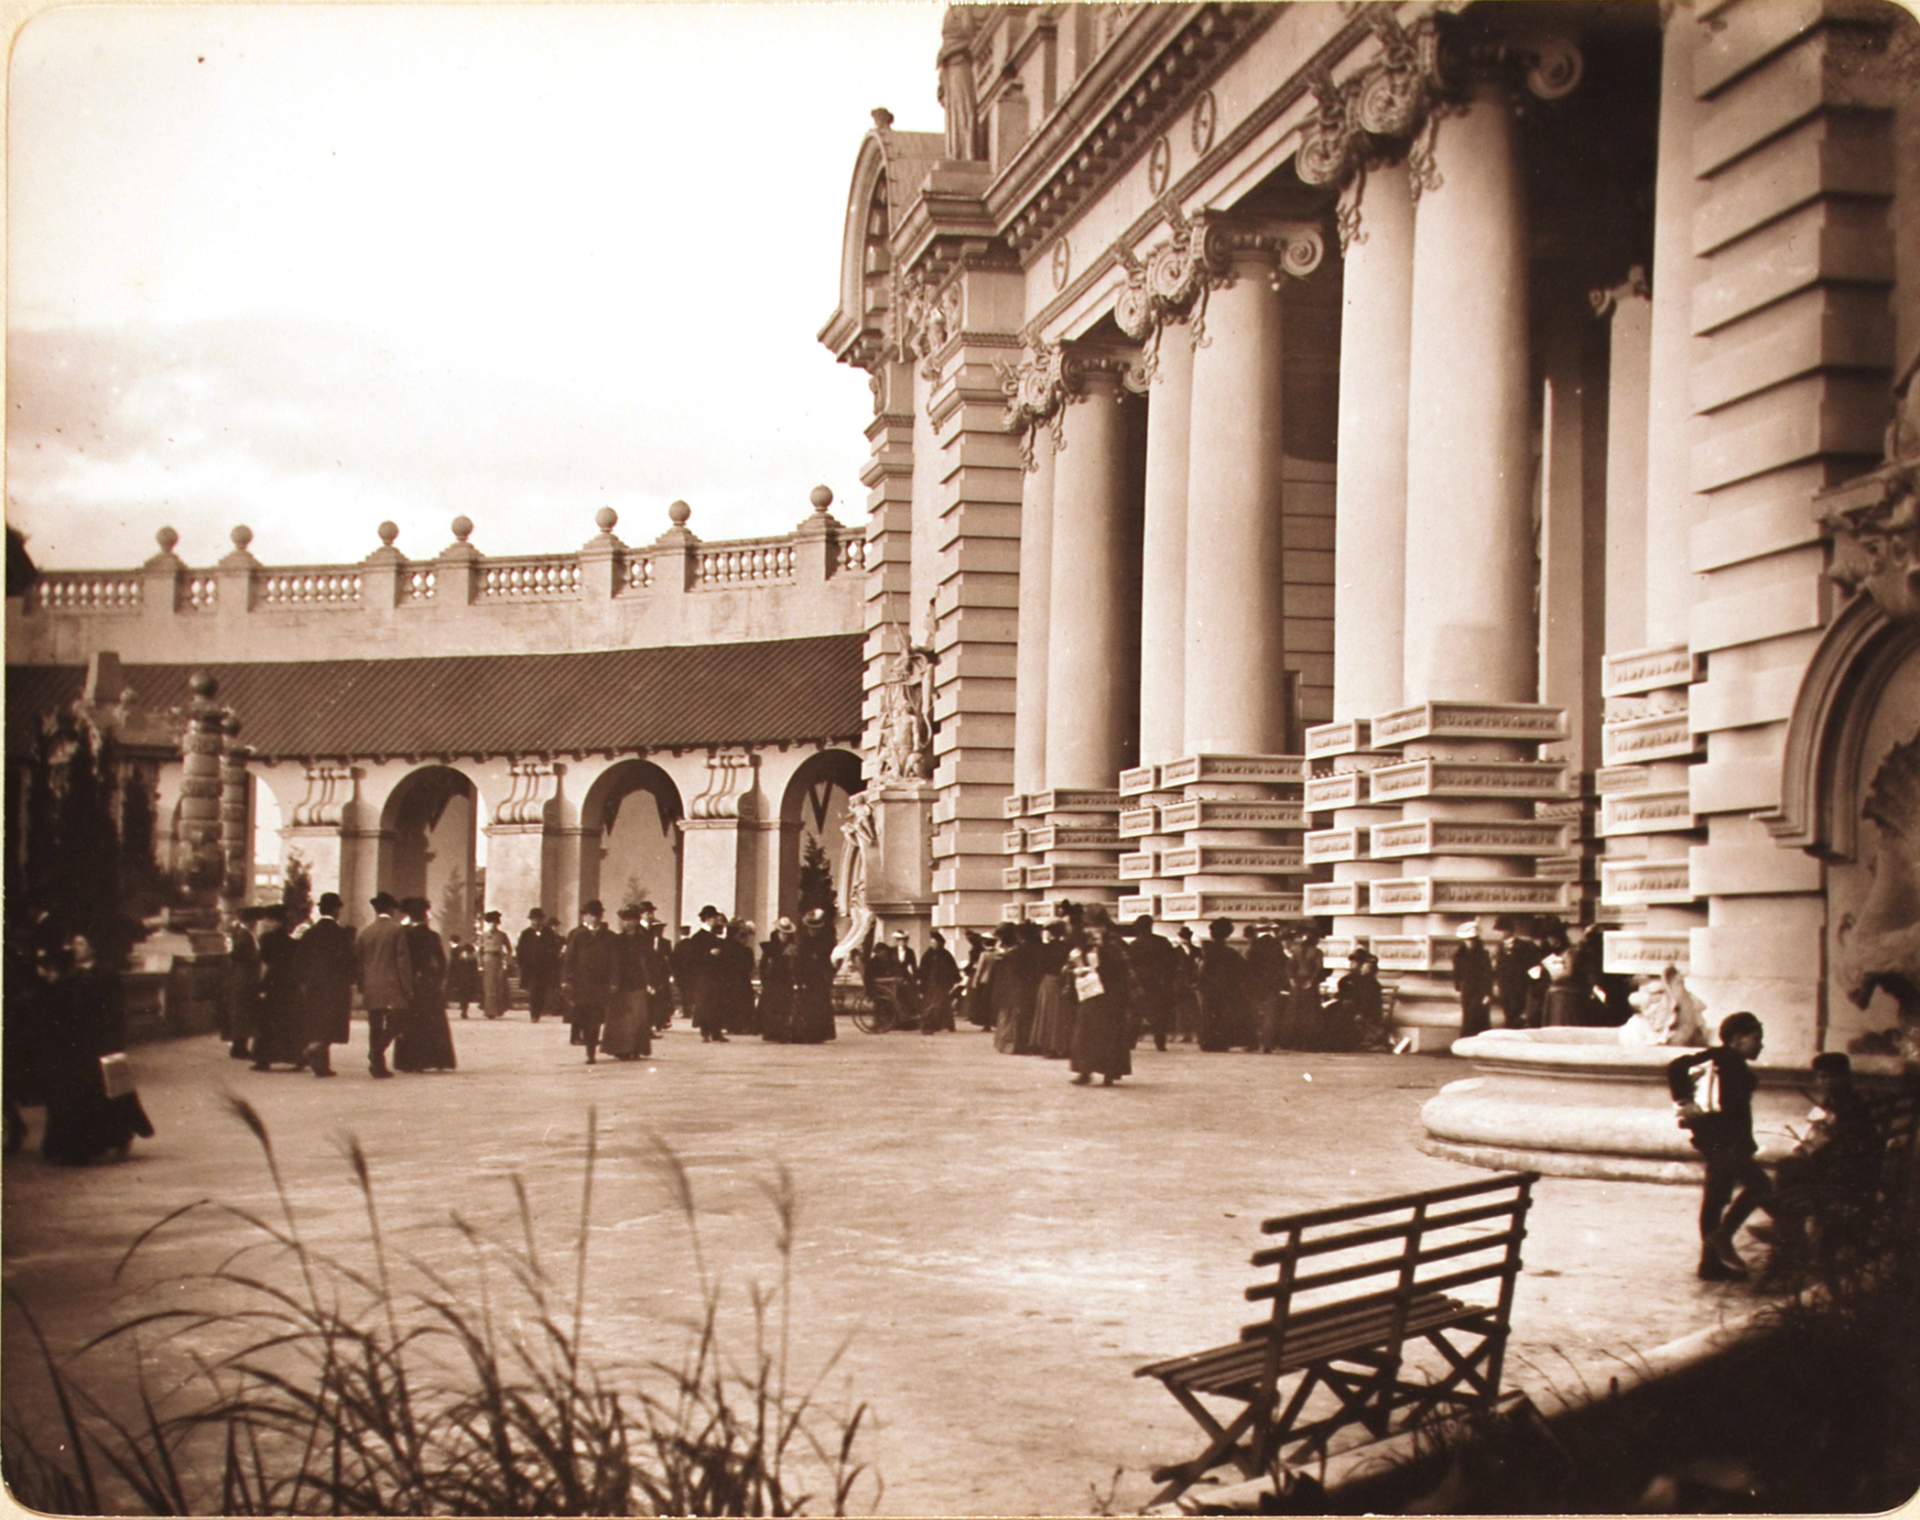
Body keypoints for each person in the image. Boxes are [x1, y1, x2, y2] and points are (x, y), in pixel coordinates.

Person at [1668, 1011, 1776, 1279]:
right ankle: (1723, 1237)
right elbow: (1676, 1067)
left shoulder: (1732, 1063)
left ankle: (1710, 1263)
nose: (1760, 1045)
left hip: (1723, 1143)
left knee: (1715, 1199)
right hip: (1724, 1143)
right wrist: (1685, 1104)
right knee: (1760, 1186)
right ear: (1737, 1039)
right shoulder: (1719, 1058)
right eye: (1756, 1038)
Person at [39, 932, 155, 1164]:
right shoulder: (70, 975)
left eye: (81, 943)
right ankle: (72, 1147)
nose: (76, 947)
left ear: (93, 947)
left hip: (98, 1042)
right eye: (74, 943)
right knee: (75, 1095)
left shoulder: (105, 974)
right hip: (74, 1044)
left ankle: (100, 1141)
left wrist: (112, 1043)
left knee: (103, 1093)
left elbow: (113, 1012)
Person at [1769, 1052, 1881, 1277]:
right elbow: (1821, 1136)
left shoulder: (1850, 1107)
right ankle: (1787, 1232)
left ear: (1846, 1078)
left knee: (1787, 1172)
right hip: (1840, 1167)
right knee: (1788, 1168)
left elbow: (1842, 1146)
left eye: (1832, 1077)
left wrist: (1810, 1152)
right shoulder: (1834, 1103)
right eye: (1821, 1077)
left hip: (1848, 1175)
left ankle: (1787, 1236)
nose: (1826, 1082)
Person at [1068, 907, 1133, 1087]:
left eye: (1095, 925)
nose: (1090, 930)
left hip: (1110, 994)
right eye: (1088, 926)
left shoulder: (1114, 943)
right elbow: (1071, 962)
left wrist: (1101, 952)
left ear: (1104, 926)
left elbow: (1123, 968)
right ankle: (1084, 1070)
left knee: (1109, 1034)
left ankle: (1109, 1073)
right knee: (1085, 1033)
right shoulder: (1083, 943)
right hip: (1089, 993)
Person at [354, 892, 414, 1080]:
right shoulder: (397, 931)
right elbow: (402, 961)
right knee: (398, 1020)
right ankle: (377, 1051)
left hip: (372, 986)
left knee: (375, 1025)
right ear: (390, 909)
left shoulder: (366, 932)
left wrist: (362, 985)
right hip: (392, 985)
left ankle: (377, 1064)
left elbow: (359, 962)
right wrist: (408, 988)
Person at [393, 899, 456, 1072]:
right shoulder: (432, 936)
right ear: (424, 915)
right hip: (428, 985)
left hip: (410, 983)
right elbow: (442, 963)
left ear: (410, 916)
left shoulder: (403, 935)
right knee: (432, 1022)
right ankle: (437, 1059)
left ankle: (409, 1062)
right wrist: (435, 979)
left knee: (410, 1022)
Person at [299, 892, 355, 1078]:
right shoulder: (341, 934)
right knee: (332, 1023)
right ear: (336, 910)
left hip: (314, 985)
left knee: (318, 1022)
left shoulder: (310, 933)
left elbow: (300, 960)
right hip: (335, 986)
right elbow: (348, 960)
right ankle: (315, 1050)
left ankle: (321, 1064)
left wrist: (304, 981)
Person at [249, 904, 307, 1070]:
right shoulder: (291, 942)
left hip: (273, 982)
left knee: (268, 1021)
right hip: (289, 984)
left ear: (273, 920)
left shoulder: (266, 939)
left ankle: (264, 1058)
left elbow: (264, 961)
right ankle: (297, 1057)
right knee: (290, 1021)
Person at [563, 900, 621, 1063]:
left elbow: (615, 961)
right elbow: (569, 959)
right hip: (581, 984)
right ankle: (585, 1040)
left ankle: (591, 1052)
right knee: (582, 1016)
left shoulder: (609, 937)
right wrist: (567, 979)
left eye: (597, 915)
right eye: (590, 915)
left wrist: (614, 981)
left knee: (594, 1019)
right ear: (585, 916)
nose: (594, 919)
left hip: (599, 984)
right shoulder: (577, 935)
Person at [602, 906, 654, 1060]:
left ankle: (636, 1047)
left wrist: (650, 981)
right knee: (620, 1018)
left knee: (638, 1017)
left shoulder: (644, 940)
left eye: (631, 920)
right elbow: (610, 962)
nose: (627, 923)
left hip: (638, 982)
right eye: (624, 920)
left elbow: (650, 962)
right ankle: (621, 1049)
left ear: (637, 921)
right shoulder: (616, 940)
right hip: (620, 983)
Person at [683, 905, 735, 1044]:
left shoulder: (715, 936)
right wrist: (708, 954)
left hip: (716, 976)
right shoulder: (697, 937)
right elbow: (692, 959)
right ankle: (705, 1032)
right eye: (713, 918)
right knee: (705, 1004)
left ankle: (716, 1032)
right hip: (704, 976)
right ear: (706, 919)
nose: (715, 920)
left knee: (717, 1003)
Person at [1126, 915, 1178, 1052]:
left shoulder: (1135, 944)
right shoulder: (1162, 942)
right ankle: (1160, 1043)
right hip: (1159, 982)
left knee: (1136, 1013)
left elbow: (1130, 964)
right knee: (1159, 1013)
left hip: (1141, 982)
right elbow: (1172, 962)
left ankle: (1131, 1042)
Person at [1197, 918, 1248, 1053]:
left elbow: (1203, 970)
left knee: (1209, 1014)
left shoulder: (1207, 950)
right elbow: (1242, 970)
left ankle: (1208, 1041)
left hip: (1209, 988)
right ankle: (1221, 1042)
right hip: (1226, 989)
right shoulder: (1231, 953)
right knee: (1223, 1015)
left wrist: (1201, 984)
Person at [1027, 920, 1074, 1057]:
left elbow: (1039, 966)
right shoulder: (1068, 947)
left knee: (1047, 1014)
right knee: (1063, 1014)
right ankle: (1063, 1046)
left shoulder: (1046, 948)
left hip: (1048, 981)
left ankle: (1048, 1046)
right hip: (1064, 980)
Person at [792, 908, 838, 1042]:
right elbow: (798, 963)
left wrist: (828, 975)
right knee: (806, 1006)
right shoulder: (802, 943)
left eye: (816, 928)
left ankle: (819, 1033)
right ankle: (805, 1033)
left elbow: (827, 962)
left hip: (819, 979)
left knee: (819, 1006)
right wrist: (799, 979)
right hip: (806, 979)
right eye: (811, 928)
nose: (813, 931)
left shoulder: (824, 943)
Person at [222, 909, 261, 1061]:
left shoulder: (243, 934)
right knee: (243, 1012)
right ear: (251, 921)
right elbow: (240, 955)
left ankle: (240, 1046)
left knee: (243, 1012)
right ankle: (239, 1047)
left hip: (243, 977)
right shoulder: (245, 936)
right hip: (244, 978)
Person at [1492, 917, 1541, 1029]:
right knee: (1507, 1012)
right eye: (1499, 931)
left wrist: (1531, 982)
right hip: (1504, 986)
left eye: (1503, 930)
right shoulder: (1499, 947)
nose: (1501, 934)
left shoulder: (1524, 946)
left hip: (1519, 985)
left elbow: (1531, 965)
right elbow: (1498, 968)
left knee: (1518, 1012)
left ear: (1510, 931)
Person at [1284, 926, 1326, 1051]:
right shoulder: (1317, 952)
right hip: (1309, 985)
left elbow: (1289, 967)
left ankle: (1294, 1041)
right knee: (1311, 1014)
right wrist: (1311, 981)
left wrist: (1292, 980)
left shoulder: (1295, 951)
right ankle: (1309, 1043)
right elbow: (1318, 969)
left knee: (1295, 1013)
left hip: (1296, 985)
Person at [758, 918, 800, 1042]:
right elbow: (763, 965)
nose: (785, 936)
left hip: (786, 981)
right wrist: (764, 980)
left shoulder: (792, 947)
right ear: (778, 932)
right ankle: (771, 1032)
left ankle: (782, 1031)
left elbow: (795, 964)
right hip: (772, 981)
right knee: (772, 1007)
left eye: (787, 934)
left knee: (785, 1007)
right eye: (782, 933)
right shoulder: (770, 947)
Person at [515, 908, 560, 1022]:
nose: (535, 922)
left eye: (538, 919)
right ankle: (534, 1014)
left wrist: (552, 963)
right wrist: (521, 964)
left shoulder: (548, 933)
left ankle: (538, 1011)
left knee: (542, 990)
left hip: (544, 967)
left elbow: (554, 949)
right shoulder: (526, 933)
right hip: (530, 967)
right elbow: (520, 950)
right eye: (533, 919)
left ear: (542, 920)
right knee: (534, 990)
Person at [1451, 920, 1494, 1037]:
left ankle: (1479, 1039)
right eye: (1467, 940)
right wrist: (1458, 986)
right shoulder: (1459, 955)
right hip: (1467, 990)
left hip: (1480, 991)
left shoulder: (1483, 955)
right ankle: (1467, 1038)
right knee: (1468, 1016)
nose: (1469, 943)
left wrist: (1487, 994)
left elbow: (1488, 975)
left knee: (1479, 1016)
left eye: (1471, 940)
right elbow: (1457, 972)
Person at [918, 929, 961, 1034]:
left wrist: (955, 979)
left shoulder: (946, 955)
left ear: (940, 943)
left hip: (942, 984)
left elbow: (952, 968)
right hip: (930, 984)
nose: (933, 944)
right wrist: (920, 981)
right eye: (932, 942)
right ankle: (931, 1025)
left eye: (935, 943)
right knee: (932, 1004)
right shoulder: (927, 955)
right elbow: (922, 969)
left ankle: (946, 1025)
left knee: (942, 1004)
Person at [478, 910, 513, 1021]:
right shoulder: (483, 936)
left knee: (498, 985)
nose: (493, 925)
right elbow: (479, 951)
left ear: (498, 923)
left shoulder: (502, 935)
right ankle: (489, 1011)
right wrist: (480, 964)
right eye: (491, 922)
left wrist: (506, 961)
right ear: (488, 923)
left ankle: (498, 1010)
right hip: (487, 959)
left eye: (495, 923)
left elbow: (509, 949)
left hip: (498, 960)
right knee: (488, 986)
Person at [1172, 927, 1202, 1043]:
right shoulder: (1175, 952)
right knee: (1181, 1009)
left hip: (1193, 982)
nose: (1185, 939)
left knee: (1194, 1009)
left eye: (1187, 936)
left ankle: (1193, 1033)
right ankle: (1183, 1033)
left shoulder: (1197, 950)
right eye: (1183, 937)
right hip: (1180, 983)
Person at [447, 934, 481, 1018]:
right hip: (466, 978)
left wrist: (450, 975)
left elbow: (452, 964)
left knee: (460, 993)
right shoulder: (469, 954)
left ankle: (462, 1009)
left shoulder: (454, 951)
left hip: (459, 977)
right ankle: (464, 1009)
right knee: (465, 995)